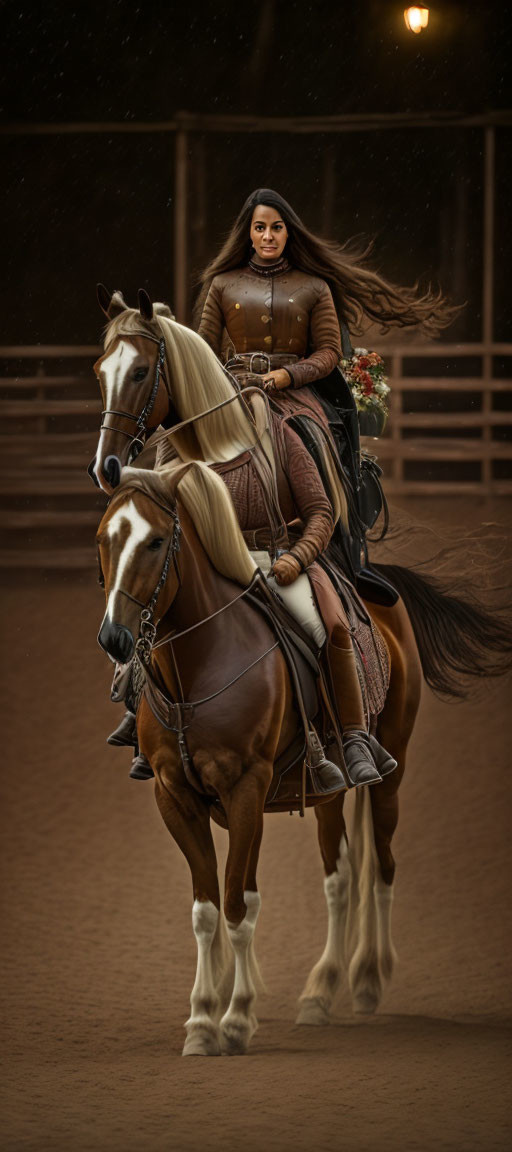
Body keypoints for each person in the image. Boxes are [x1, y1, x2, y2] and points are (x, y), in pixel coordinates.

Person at [195, 187, 458, 582]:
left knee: (315, 442)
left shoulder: (315, 287)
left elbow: (330, 352)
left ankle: (345, 539)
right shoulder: (221, 283)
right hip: (234, 390)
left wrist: (288, 375)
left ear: (288, 233)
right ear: (247, 233)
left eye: (277, 228)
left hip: (296, 393)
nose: (268, 236)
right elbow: (203, 350)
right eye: (260, 228)